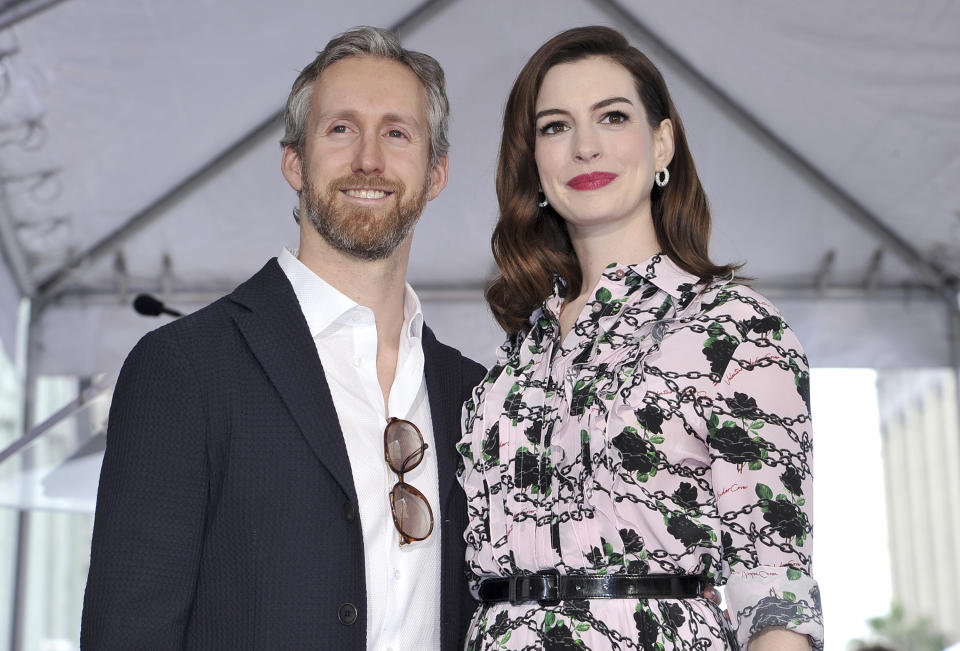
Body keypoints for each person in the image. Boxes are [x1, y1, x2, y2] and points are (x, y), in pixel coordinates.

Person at [81, 26, 484, 650]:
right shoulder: (184, 369)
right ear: (295, 161)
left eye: (397, 133)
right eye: (341, 128)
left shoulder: (475, 398)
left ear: (436, 174)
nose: (369, 160)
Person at [458, 26, 823, 650]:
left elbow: (777, 588)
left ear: (662, 143)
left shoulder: (734, 328)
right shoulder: (514, 359)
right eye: (555, 126)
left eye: (613, 117)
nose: (585, 147)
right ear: (534, 162)